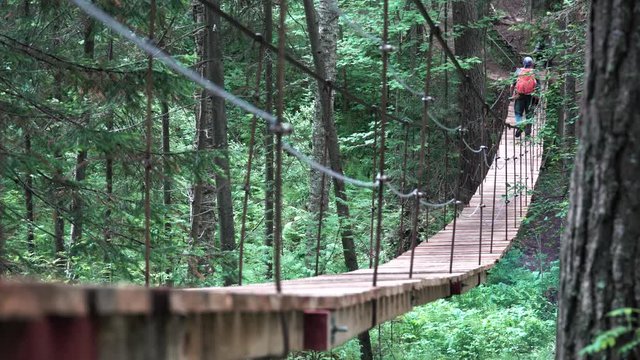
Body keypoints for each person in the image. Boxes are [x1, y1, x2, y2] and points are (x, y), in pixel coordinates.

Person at [510, 57, 538, 137]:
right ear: (531, 64)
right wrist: (537, 98)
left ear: (523, 63)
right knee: (529, 114)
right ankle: (528, 131)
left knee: (518, 113)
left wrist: (512, 95)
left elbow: (512, 85)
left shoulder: (518, 71)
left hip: (519, 95)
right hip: (531, 97)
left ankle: (520, 126)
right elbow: (538, 86)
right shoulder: (534, 72)